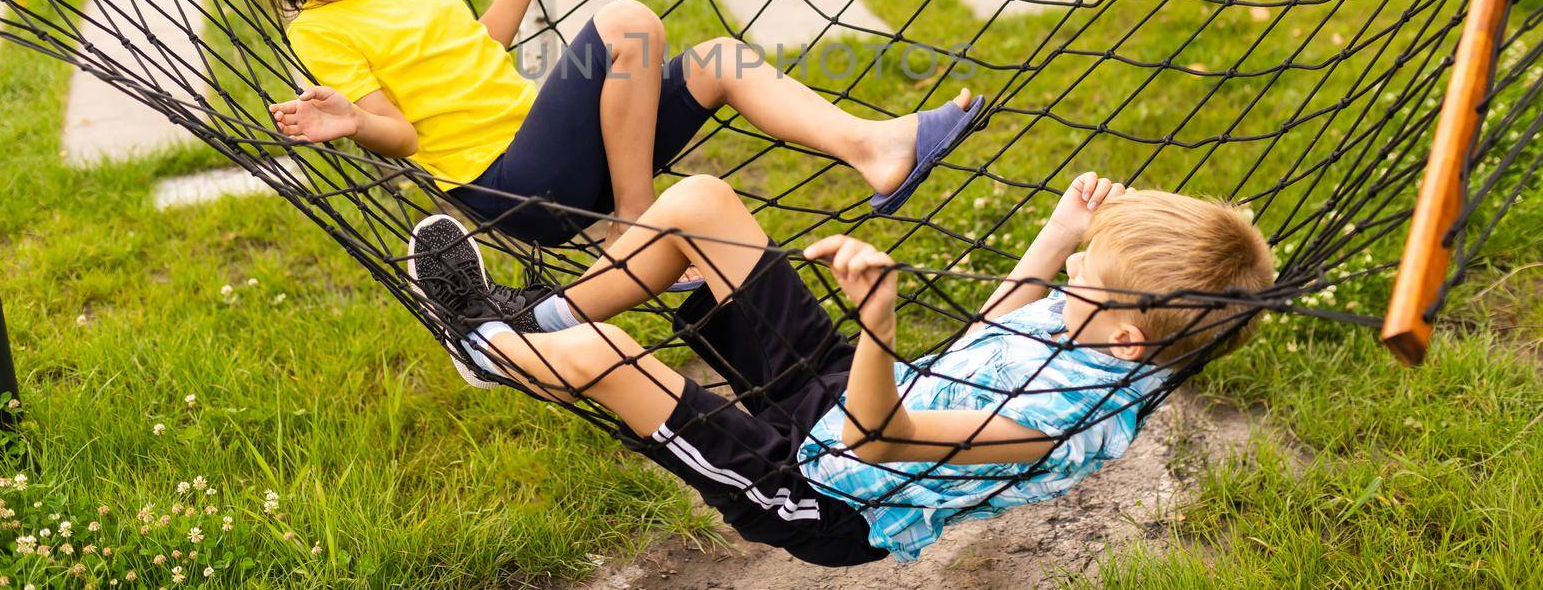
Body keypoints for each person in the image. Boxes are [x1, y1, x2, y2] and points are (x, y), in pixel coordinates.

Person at [406, 171, 1277, 566]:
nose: (1071, 278)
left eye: (1084, 273)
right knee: (702, 204)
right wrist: (1057, 237)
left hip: (823, 490)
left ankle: (479, 343)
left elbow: (880, 435)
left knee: (605, 361)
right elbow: (992, 331)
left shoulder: (1066, 427)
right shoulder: (1110, 322)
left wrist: (880, 324)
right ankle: (534, 320)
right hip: (838, 393)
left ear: (1127, 340)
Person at [222, 0, 983, 266]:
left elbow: (473, 55)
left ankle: (876, 151)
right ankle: (633, 226)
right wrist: (356, 122)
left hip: (549, 144)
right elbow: (408, 136)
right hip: (510, 182)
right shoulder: (323, 33)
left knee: (718, 58)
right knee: (627, 24)